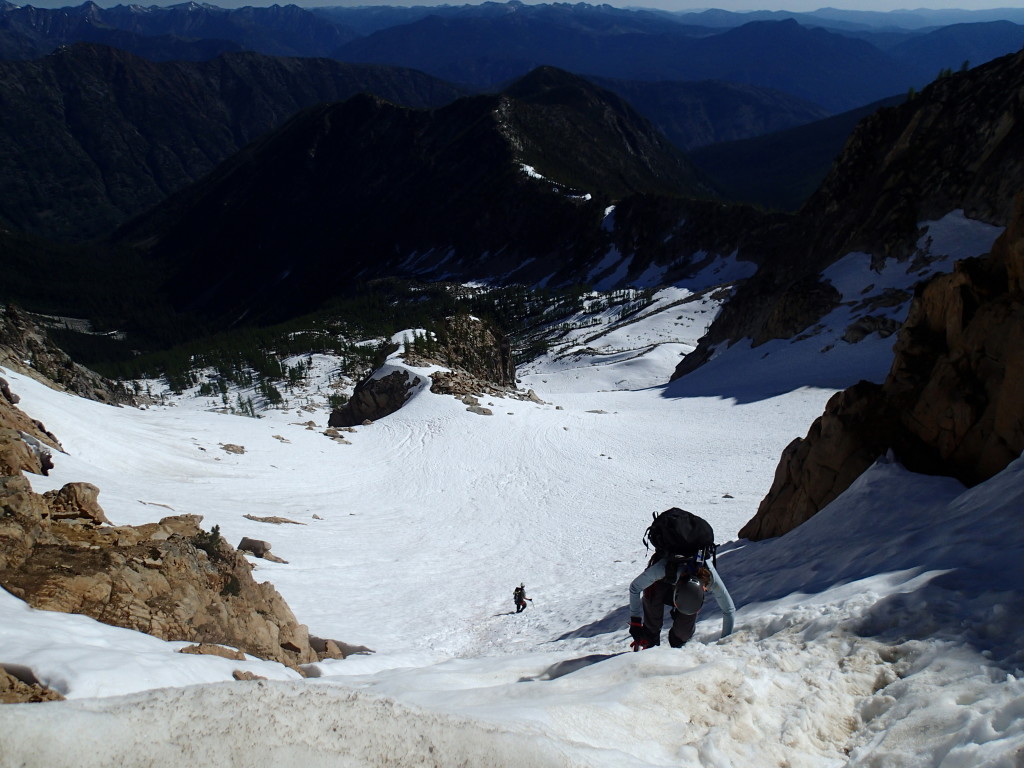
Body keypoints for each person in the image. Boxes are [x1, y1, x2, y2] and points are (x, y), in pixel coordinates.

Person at [627, 552, 734, 650]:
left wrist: (724, 643)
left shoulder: (710, 579)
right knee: (652, 623)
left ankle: (678, 644)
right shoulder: (663, 568)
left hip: (684, 588)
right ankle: (649, 641)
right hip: (660, 582)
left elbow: (729, 610)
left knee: (682, 633)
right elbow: (635, 588)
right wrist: (635, 622)